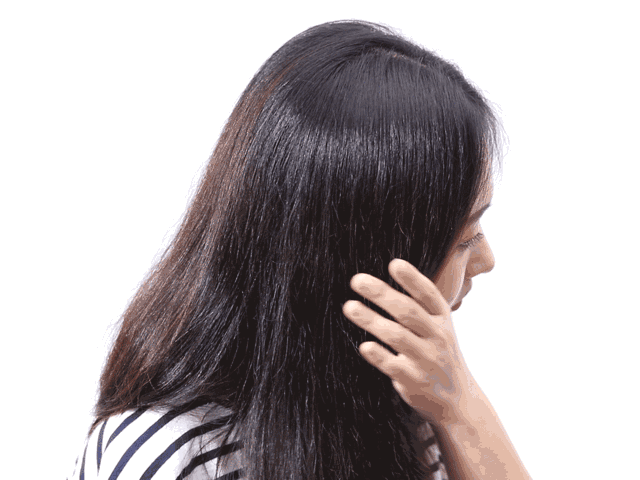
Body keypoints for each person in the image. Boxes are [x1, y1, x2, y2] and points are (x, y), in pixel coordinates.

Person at [68, 20, 532, 480]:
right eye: (465, 236)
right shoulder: (165, 455)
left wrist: (463, 408)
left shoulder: (410, 403)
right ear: (359, 255)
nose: (487, 260)